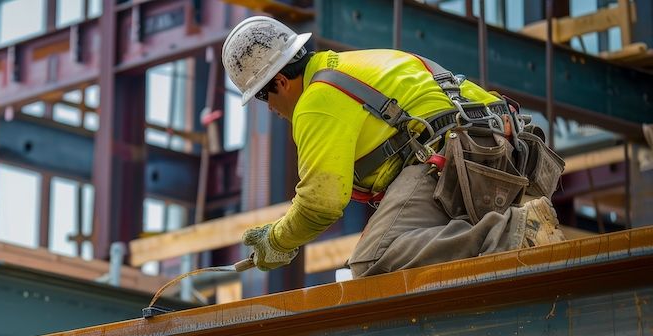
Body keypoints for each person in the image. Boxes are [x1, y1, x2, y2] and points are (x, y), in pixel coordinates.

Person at [222, 16, 566, 278]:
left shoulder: (317, 100)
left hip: (455, 158)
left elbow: (321, 203)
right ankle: (515, 235)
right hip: (506, 150)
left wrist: (278, 241)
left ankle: (512, 233)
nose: (269, 107)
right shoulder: (359, 64)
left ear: (281, 80)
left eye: (264, 96)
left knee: (375, 260)